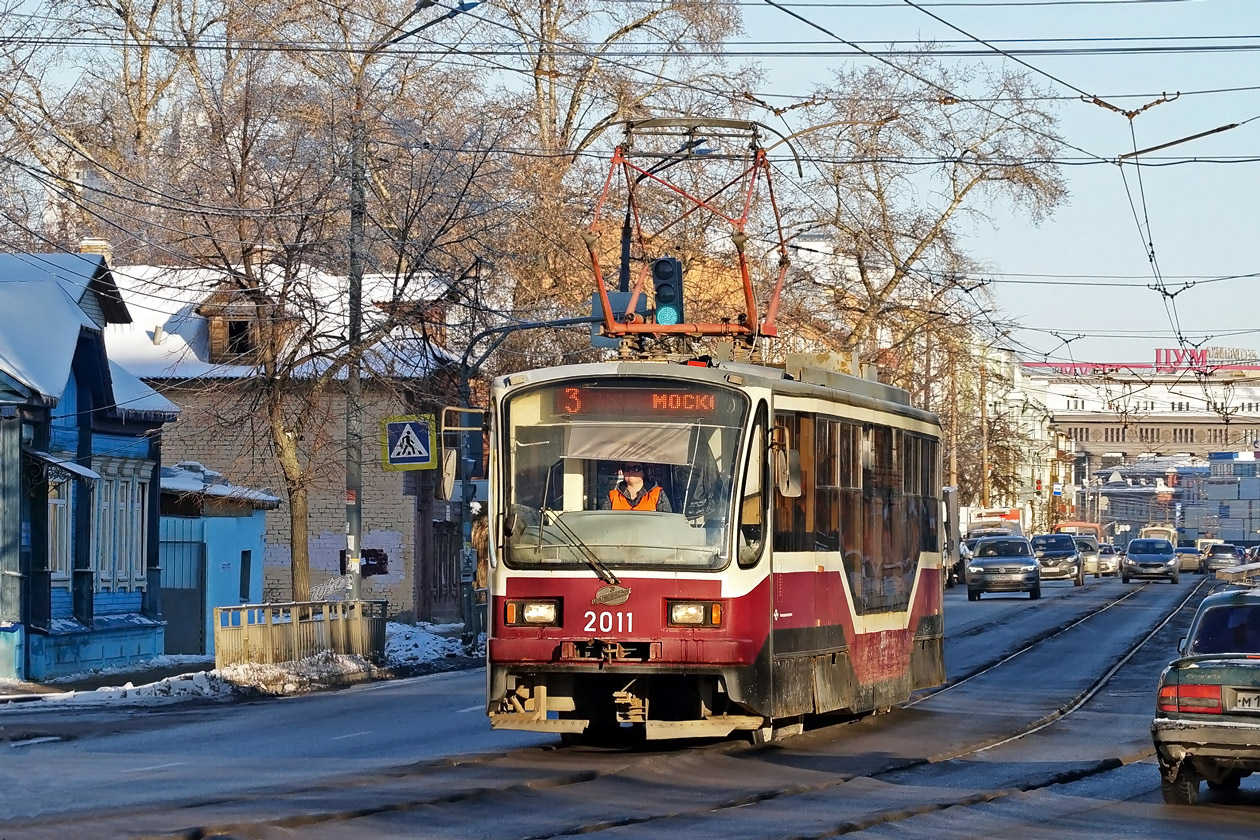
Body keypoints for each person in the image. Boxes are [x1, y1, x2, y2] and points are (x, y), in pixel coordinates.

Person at [601, 461, 673, 512]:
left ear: (644, 472)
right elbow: (604, 524)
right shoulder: (612, 496)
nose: (631, 471)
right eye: (627, 468)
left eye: (636, 468)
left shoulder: (658, 495)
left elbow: (667, 523)